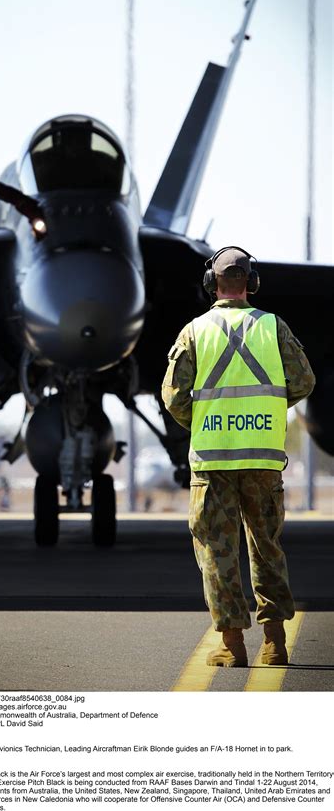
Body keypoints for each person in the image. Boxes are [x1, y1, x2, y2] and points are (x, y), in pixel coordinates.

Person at [162, 246, 316, 667]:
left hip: (212, 463)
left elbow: (174, 396)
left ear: (212, 283)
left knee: (217, 551)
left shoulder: (194, 331)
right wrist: (266, 410)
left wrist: (206, 420)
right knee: (266, 547)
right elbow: (303, 381)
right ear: (252, 283)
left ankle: (231, 644)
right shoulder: (273, 327)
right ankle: (274, 643)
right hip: (263, 461)